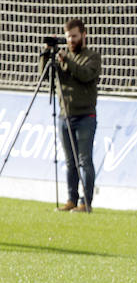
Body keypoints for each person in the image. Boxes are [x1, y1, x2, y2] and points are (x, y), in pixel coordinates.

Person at [41, 18, 101, 213]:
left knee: (84, 160)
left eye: (74, 36)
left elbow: (85, 75)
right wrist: (46, 55)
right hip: (64, 116)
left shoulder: (92, 57)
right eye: (68, 37)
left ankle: (86, 202)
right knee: (70, 162)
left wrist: (66, 61)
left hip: (85, 116)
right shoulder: (61, 58)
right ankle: (71, 199)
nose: (71, 41)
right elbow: (46, 77)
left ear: (84, 35)